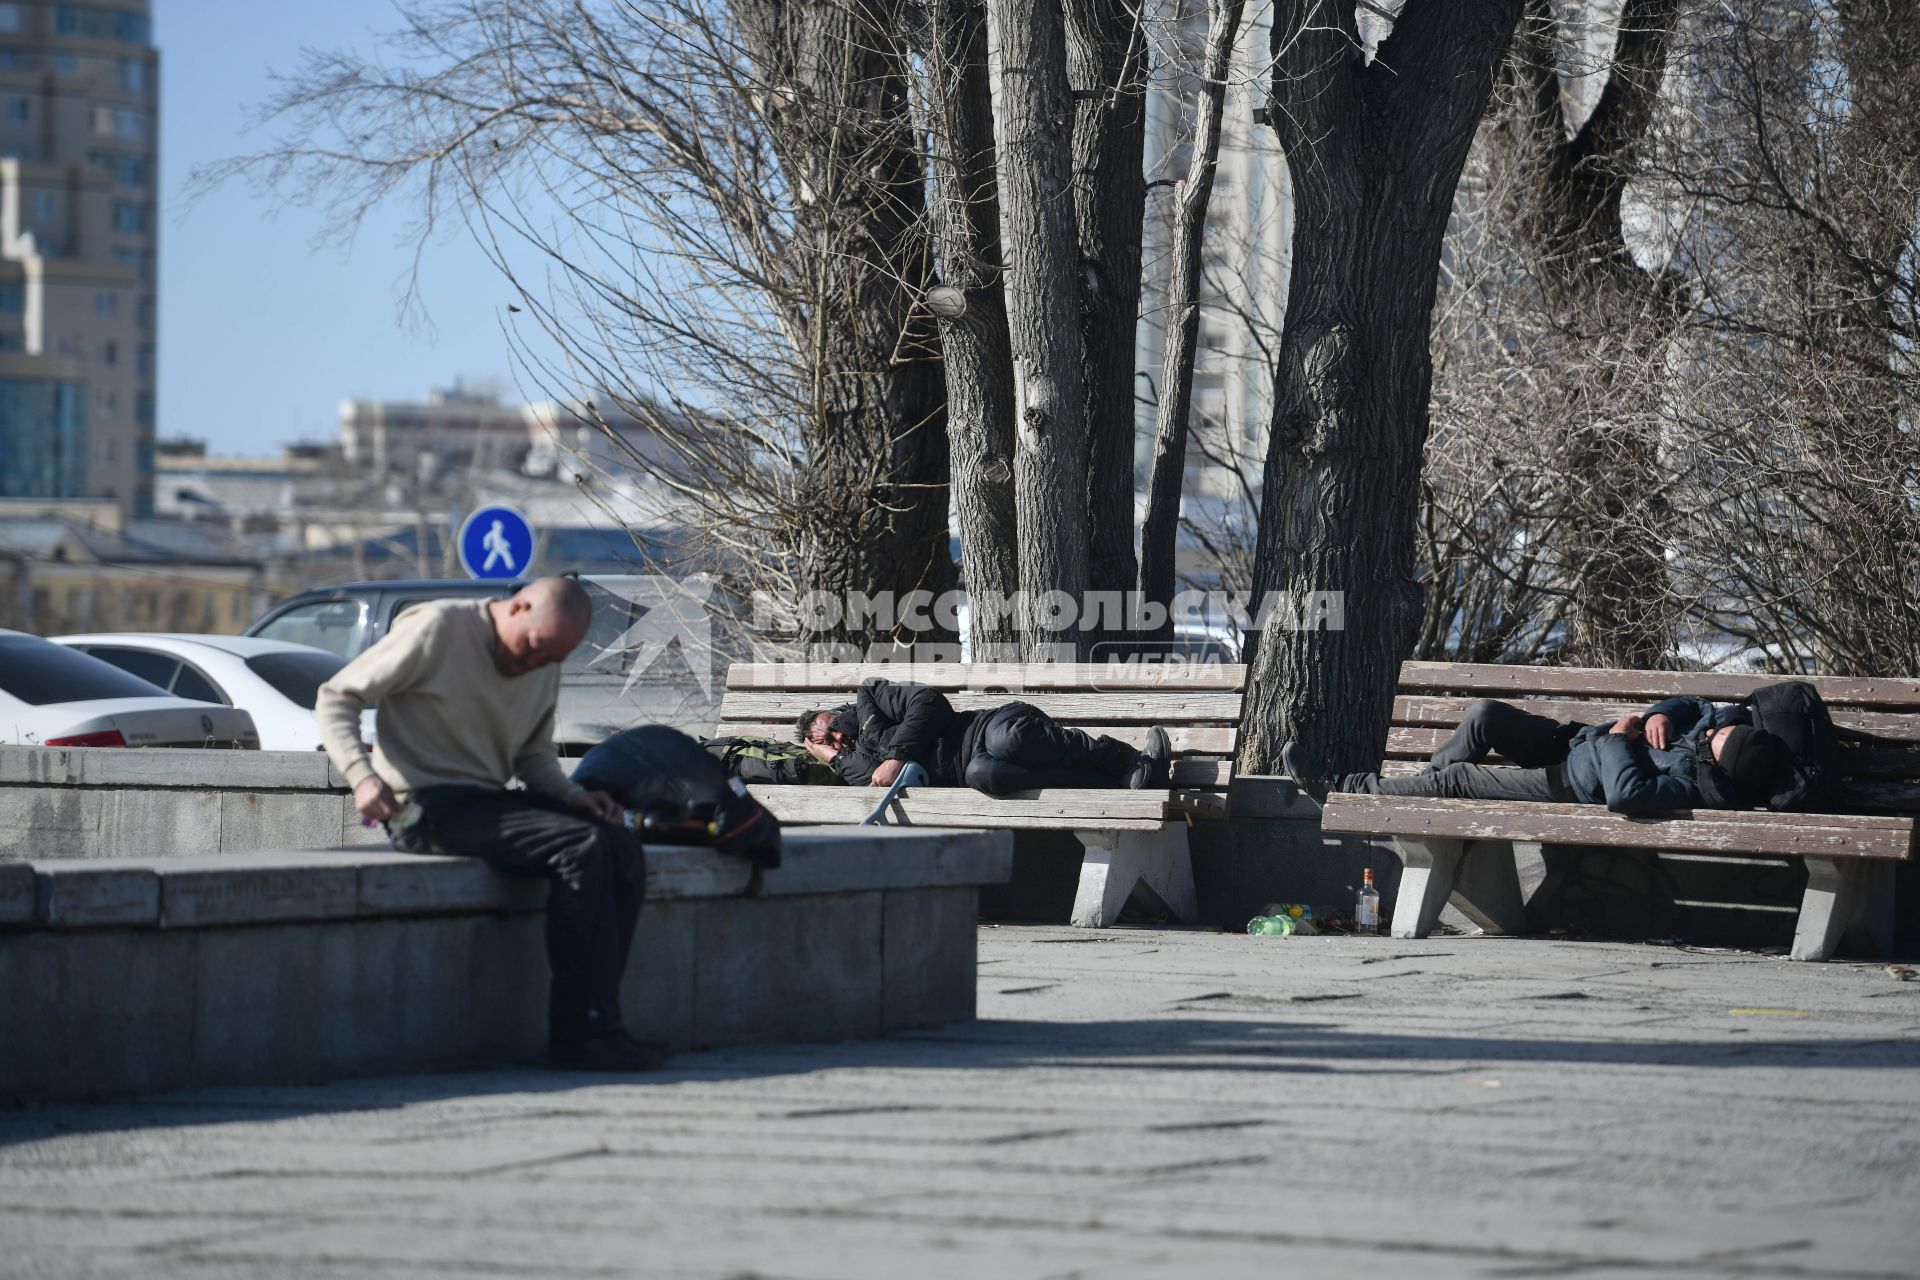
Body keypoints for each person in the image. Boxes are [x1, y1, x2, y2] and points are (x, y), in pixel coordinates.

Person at [316, 577, 663, 1073]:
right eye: (533, 649)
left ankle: (602, 1021)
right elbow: (336, 697)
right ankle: (572, 1036)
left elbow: (532, 756)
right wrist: (361, 776)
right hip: (423, 806)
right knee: (580, 847)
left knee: (621, 846)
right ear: (517, 607)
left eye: (550, 660)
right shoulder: (438, 628)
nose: (533, 665)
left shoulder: (545, 659)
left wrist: (575, 797)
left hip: (486, 801)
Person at [1281, 695, 1790, 814]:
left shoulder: (1696, 784)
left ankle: (1344, 791)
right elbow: (1701, 706)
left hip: (1568, 782)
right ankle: (1416, 793)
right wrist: (1659, 714)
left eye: (1715, 742)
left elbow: (1627, 795)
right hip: (1569, 742)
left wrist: (1619, 737)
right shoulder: (1719, 731)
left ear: (1721, 766)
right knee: (1484, 715)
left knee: (1456, 779)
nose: (1710, 734)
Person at [795, 676, 1172, 795]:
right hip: (969, 769)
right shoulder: (853, 761)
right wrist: (836, 759)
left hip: (989, 725)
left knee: (1008, 741)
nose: (838, 740)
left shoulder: (870, 696)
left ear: (834, 713)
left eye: (832, 730)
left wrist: (895, 757)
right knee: (984, 776)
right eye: (829, 745)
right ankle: (1115, 784)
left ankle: (1125, 759)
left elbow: (929, 704)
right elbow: (875, 780)